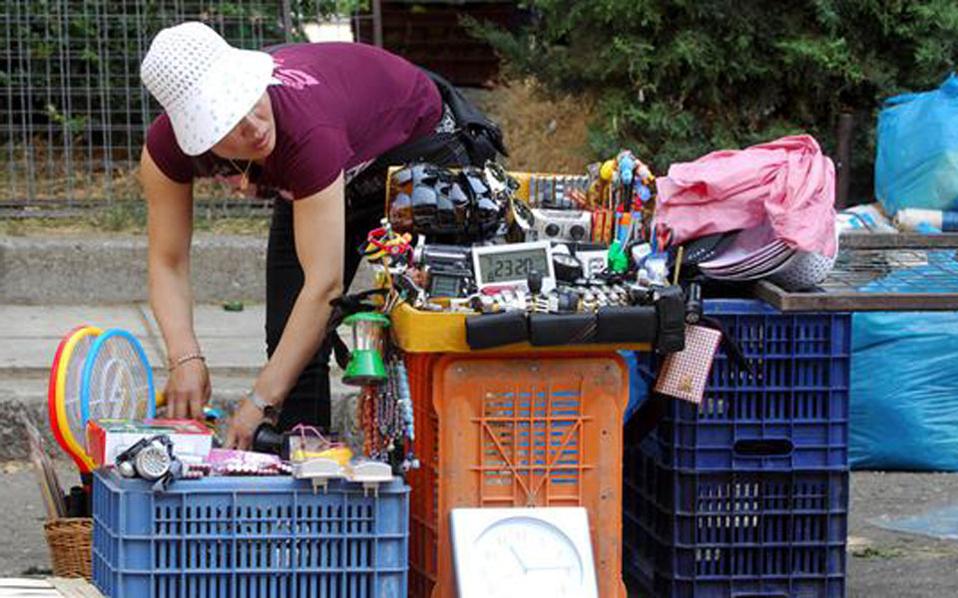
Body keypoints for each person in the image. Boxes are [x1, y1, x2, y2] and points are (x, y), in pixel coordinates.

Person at [138, 22, 504, 449]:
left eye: (248, 98)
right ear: (195, 136)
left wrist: (258, 402)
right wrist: (185, 358)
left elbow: (323, 285)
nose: (252, 125)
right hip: (326, 168)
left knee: (431, 322)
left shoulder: (303, 130)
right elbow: (167, 261)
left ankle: (440, 468)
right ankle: (305, 471)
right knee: (288, 339)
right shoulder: (166, 151)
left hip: (418, 146)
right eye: (226, 122)